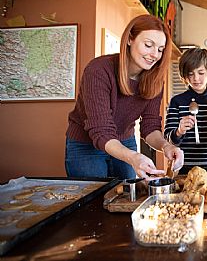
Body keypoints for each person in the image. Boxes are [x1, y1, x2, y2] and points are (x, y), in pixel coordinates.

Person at [65, 14, 184, 180]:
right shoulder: (98, 70)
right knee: (94, 200)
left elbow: (150, 126)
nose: (154, 54)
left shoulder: (155, 80)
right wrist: (133, 157)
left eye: (160, 49)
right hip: (86, 145)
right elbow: (101, 130)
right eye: (148, 45)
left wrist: (166, 146)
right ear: (129, 39)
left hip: (125, 140)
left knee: (128, 196)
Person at [164, 48, 207, 174]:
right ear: (184, 76)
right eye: (191, 74)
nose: (196, 78)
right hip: (184, 169)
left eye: (201, 73)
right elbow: (168, 139)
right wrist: (179, 131)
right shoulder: (177, 102)